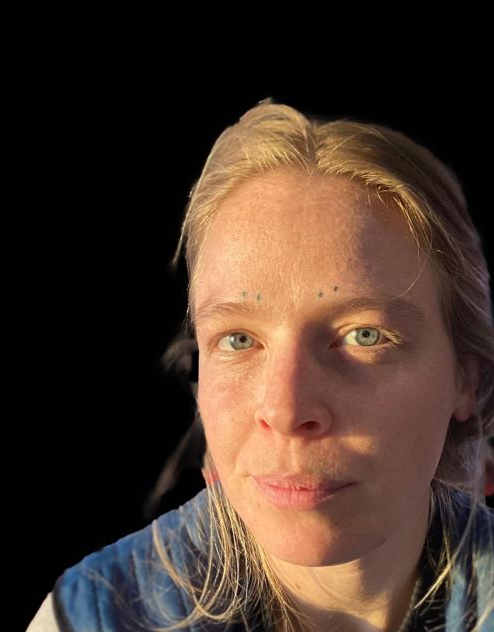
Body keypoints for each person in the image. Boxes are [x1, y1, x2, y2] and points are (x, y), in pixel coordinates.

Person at [27, 99, 494, 632]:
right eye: (238, 339)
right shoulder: (96, 617)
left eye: (364, 335)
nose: (286, 409)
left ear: (466, 378)